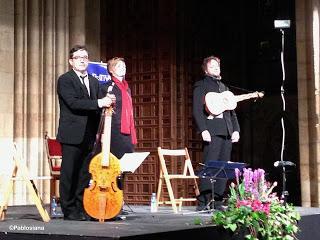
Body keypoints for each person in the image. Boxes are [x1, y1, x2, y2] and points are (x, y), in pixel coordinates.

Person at [56, 45, 114, 221]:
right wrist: (99, 102)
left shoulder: (95, 81)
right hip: (72, 134)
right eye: (78, 57)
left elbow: (105, 98)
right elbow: (74, 103)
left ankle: (82, 207)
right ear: (71, 61)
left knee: (84, 174)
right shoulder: (65, 80)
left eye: (85, 57)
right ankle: (69, 209)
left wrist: (110, 98)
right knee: (69, 173)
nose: (82, 60)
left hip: (90, 135)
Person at [192, 55, 240, 210]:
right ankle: (204, 201)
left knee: (224, 168)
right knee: (210, 166)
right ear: (205, 69)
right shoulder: (201, 85)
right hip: (212, 131)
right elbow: (197, 111)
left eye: (217, 66)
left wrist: (236, 130)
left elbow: (232, 112)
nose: (215, 68)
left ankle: (218, 201)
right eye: (212, 66)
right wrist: (203, 129)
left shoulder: (224, 87)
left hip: (227, 131)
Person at [102, 57, 137, 160]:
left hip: (127, 131)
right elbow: (102, 112)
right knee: (115, 164)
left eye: (124, 66)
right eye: (119, 66)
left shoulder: (127, 88)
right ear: (111, 70)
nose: (123, 68)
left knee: (127, 164)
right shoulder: (107, 87)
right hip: (113, 131)